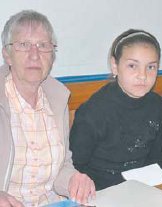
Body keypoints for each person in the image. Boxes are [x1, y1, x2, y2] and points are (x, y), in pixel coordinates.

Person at [0, 10, 95, 206]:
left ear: (52, 56)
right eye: (24, 45)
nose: (34, 55)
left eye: (43, 46)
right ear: (7, 55)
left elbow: (61, 167)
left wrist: (73, 180)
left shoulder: (57, 99)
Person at [69, 29, 162, 190]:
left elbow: (157, 160)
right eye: (132, 66)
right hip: (100, 191)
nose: (142, 75)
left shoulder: (161, 108)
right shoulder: (93, 112)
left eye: (151, 67)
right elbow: (76, 167)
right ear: (115, 66)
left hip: (142, 190)